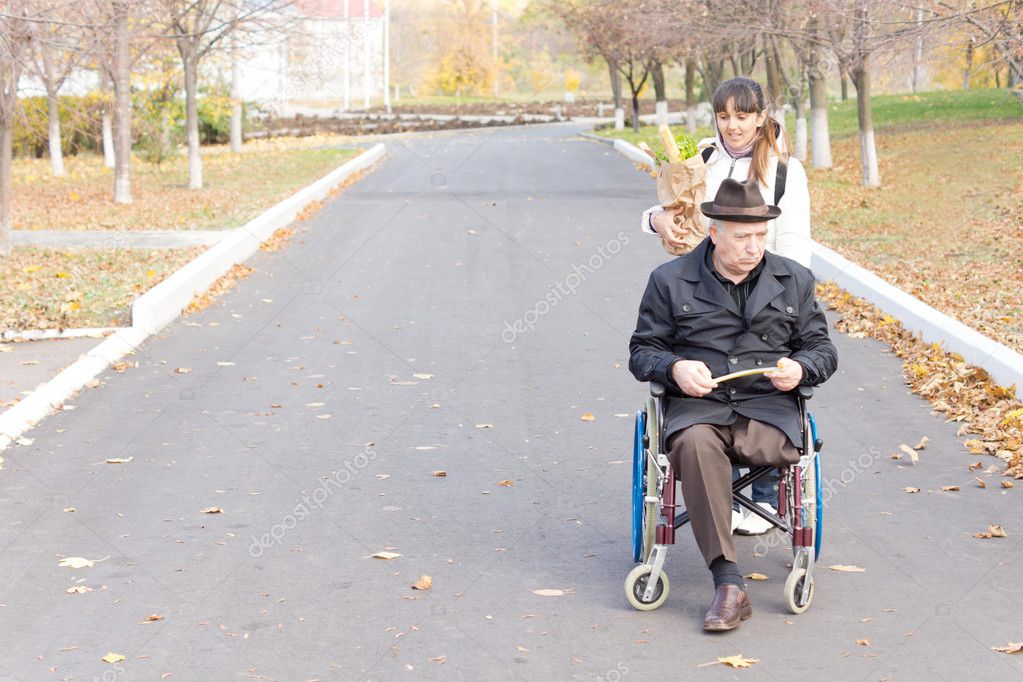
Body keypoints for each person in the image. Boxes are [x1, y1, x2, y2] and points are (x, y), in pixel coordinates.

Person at [628, 177, 837, 631]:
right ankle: (728, 582)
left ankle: (735, 578)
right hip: (700, 411)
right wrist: (675, 368)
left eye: (761, 236)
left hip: (767, 411)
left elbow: (823, 350)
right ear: (714, 232)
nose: (753, 247)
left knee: (755, 445)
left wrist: (800, 369)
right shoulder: (670, 281)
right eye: (742, 237)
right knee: (697, 447)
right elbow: (642, 351)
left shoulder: (794, 280)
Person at [640, 76, 813, 534]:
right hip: (703, 284)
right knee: (711, 367)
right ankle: (725, 493)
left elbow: (794, 241)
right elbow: (672, 207)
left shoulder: (783, 169)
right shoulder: (703, 158)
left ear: (761, 117)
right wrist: (658, 218)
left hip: (767, 287)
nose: (732, 125)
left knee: (758, 371)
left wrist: (783, 294)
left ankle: (760, 492)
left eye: (742, 115)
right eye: (723, 116)